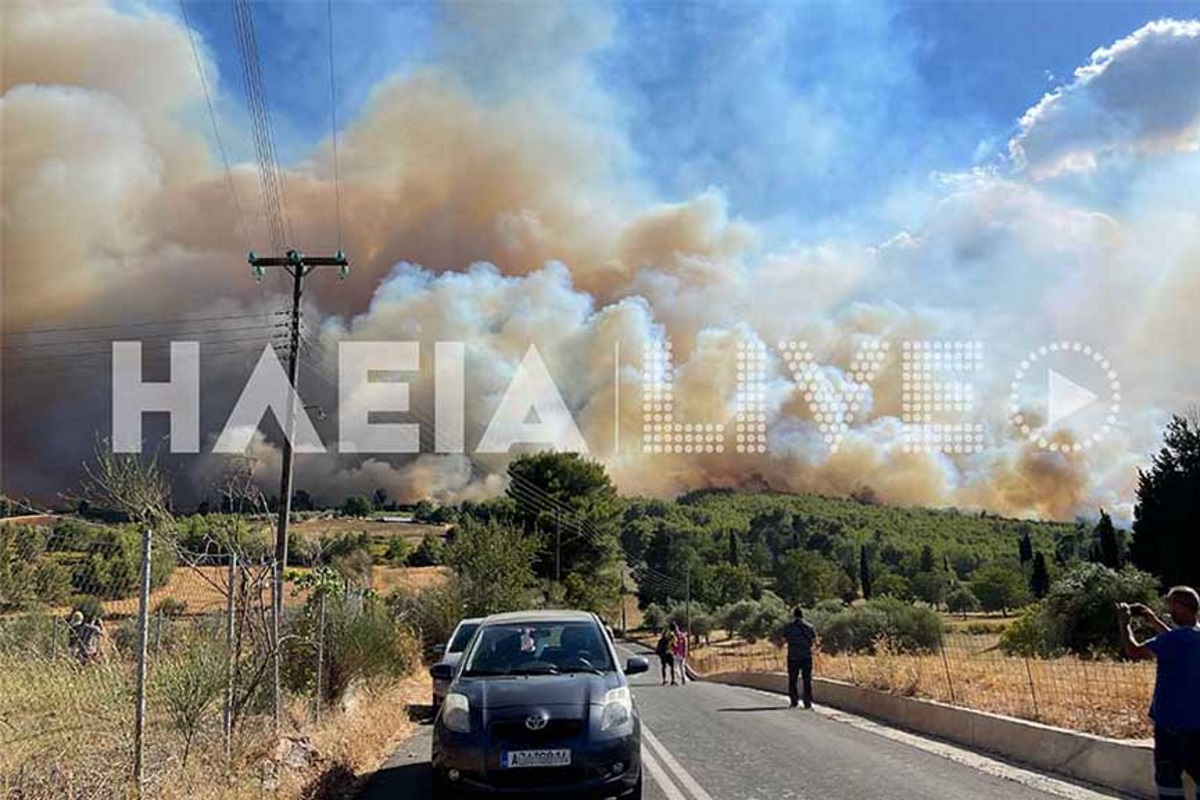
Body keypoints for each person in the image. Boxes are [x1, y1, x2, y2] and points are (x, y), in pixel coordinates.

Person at [1119, 586, 1200, 800]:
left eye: (1172, 605)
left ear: (1181, 608)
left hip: (1170, 727)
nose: (1170, 610)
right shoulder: (1190, 638)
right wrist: (1152, 619)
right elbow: (1176, 638)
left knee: (1169, 784)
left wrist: (1124, 623)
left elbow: (1133, 651)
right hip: (1198, 726)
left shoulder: (1171, 642)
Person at [783, 607, 816, 709]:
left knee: (792, 680)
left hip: (793, 656)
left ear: (794, 615)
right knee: (807, 680)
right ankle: (807, 703)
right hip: (806, 656)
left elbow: (784, 638)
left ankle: (794, 701)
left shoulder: (789, 627)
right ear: (802, 615)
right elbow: (814, 639)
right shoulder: (809, 627)